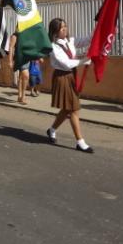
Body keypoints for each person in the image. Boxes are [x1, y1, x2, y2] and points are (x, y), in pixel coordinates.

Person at [45, 18, 94, 153]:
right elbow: (66, 63)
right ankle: (80, 141)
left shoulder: (70, 41)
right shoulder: (53, 47)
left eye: (65, 26)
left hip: (71, 76)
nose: (65, 29)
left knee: (67, 109)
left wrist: (100, 26)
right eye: (61, 28)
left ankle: (52, 130)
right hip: (62, 77)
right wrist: (84, 60)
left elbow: (86, 40)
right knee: (73, 109)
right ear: (55, 32)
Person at [8, 31, 30, 104]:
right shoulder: (15, 35)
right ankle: (23, 96)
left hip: (27, 58)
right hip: (19, 58)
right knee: (26, 75)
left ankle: (20, 95)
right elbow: (11, 48)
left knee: (21, 77)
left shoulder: (28, 35)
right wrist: (10, 60)